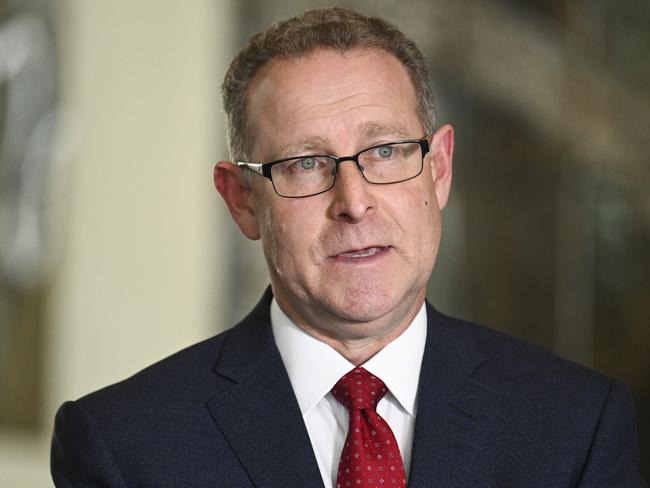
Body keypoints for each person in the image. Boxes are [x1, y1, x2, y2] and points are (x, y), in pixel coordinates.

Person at [51, 7, 645, 487]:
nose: (354, 201)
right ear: (241, 200)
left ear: (438, 169)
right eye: (306, 163)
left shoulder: (576, 427)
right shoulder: (122, 447)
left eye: (385, 151)